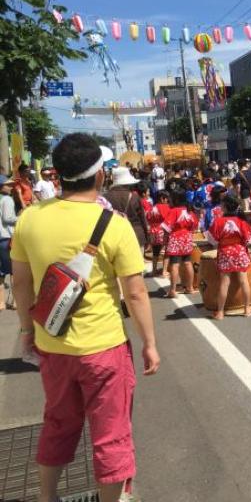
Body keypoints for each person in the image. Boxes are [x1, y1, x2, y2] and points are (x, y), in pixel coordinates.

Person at [11, 134, 159, 502]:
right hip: (104, 349)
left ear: (58, 176)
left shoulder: (29, 219)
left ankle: (47, 497)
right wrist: (150, 344)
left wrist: (28, 330)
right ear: (99, 177)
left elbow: (21, 283)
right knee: (111, 433)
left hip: (53, 346)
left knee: (58, 424)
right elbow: (136, 292)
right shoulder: (114, 223)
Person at [206, 194, 251, 319]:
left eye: (222, 204)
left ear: (225, 207)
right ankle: (247, 309)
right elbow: (250, 240)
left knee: (224, 283)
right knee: (244, 281)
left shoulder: (218, 222)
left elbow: (211, 240)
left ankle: (220, 312)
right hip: (239, 251)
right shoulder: (241, 222)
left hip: (225, 252)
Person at [161, 189, 198, 298]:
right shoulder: (189, 211)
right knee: (187, 262)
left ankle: (172, 291)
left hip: (176, 238)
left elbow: (166, 227)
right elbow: (194, 225)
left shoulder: (174, 211)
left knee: (175, 264)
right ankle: (190, 287)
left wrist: (165, 239)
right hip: (187, 238)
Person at [104, 167, 150, 252]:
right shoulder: (134, 196)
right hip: (136, 235)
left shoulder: (105, 197)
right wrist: (147, 238)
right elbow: (142, 219)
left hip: (114, 238)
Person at [0, 176, 17, 305]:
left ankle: (0, 303)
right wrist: (21, 217)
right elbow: (8, 218)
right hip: (6, 237)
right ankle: (14, 301)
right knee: (13, 271)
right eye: (8, 185)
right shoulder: (7, 199)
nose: (11, 187)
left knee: (1, 272)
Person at [146, 191, 170, 276]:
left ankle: (154, 270)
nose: (167, 200)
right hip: (162, 231)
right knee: (166, 252)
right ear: (162, 198)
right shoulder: (165, 207)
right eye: (166, 198)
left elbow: (148, 217)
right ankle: (164, 271)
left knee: (155, 252)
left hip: (153, 231)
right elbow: (167, 219)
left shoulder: (153, 207)